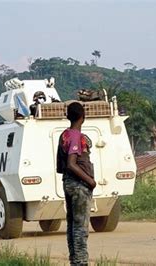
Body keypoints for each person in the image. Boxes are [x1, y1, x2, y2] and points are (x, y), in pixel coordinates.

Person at [56, 102, 96, 266]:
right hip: (79, 185)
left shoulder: (64, 135)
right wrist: (90, 181)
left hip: (68, 183)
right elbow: (72, 163)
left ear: (68, 116)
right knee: (80, 227)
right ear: (83, 117)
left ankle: (74, 260)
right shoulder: (75, 136)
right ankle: (80, 262)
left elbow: (62, 166)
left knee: (72, 225)